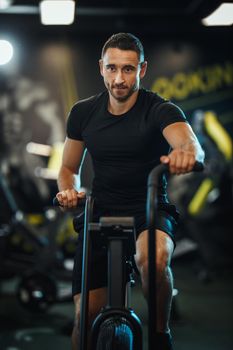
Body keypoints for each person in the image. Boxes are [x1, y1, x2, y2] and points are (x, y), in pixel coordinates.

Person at [56, 33, 205, 350]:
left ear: (143, 69)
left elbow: (190, 144)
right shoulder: (83, 113)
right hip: (99, 208)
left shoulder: (159, 109)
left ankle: (160, 334)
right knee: (86, 319)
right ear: (101, 68)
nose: (119, 79)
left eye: (128, 69)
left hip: (148, 207)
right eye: (112, 69)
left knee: (153, 258)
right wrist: (69, 191)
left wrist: (187, 154)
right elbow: (68, 169)